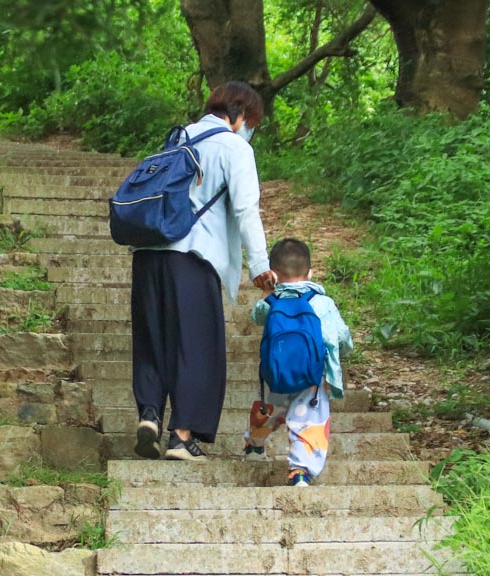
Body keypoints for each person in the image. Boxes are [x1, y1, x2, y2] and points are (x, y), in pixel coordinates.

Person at [130, 81, 277, 461]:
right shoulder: (235, 147)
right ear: (241, 115)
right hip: (193, 259)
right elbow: (246, 209)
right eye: (252, 122)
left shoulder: (177, 138)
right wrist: (259, 265)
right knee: (196, 346)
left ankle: (148, 415)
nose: (250, 130)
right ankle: (181, 437)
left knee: (153, 340)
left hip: (148, 254)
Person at [243, 237, 354, 487]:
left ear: (273, 274)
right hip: (312, 379)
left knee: (271, 410)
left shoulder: (271, 303)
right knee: (310, 420)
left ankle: (254, 444)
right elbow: (341, 337)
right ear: (311, 273)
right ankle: (299, 471)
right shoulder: (323, 303)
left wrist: (267, 293)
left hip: (276, 374)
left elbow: (256, 316)